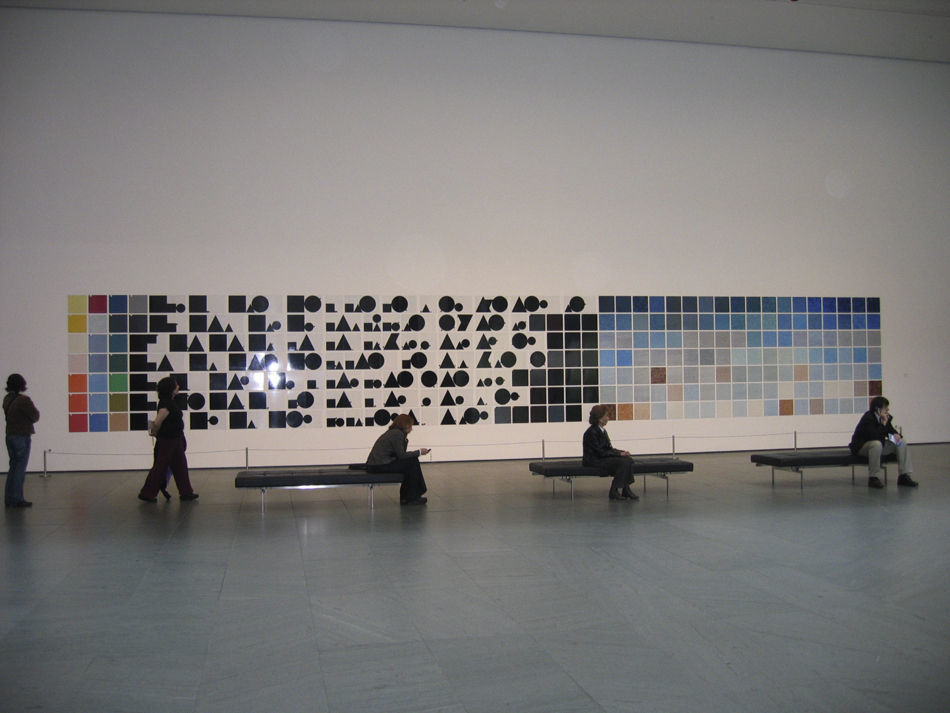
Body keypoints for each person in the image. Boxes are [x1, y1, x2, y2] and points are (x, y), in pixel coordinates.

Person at [138, 376, 198, 502]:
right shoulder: (166, 404)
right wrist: (154, 431)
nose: (178, 387)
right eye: (176, 385)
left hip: (175, 438)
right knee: (160, 466)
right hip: (168, 440)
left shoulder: (170, 402)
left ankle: (186, 492)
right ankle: (147, 493)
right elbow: (158, 421)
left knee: (180, 465)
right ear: (171, 388)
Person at [849, 395, 917, 489]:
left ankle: (903, 475)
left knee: (901, 442)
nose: (887, 409)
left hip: (880, 445)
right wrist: (883, 424)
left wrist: (896, 435)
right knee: (876, 444)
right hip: (863, 447)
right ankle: (873, 477)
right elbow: (874, 436)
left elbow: (889, 431)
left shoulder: (885, 418)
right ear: (878, 409)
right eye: (885, 408)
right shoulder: (868, 418)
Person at [366, 413, 429, 505]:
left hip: (377, 464)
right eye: (410, 426)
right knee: (413, 462)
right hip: (379, 465)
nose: (411, 429)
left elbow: (400, 453)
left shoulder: (394, 432)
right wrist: (419, 452)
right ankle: (410, 497)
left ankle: (409, 496)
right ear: (405, 425)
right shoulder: (397, 434)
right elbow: (402, 455)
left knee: (412, 462)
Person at [583, 404, 638, 501]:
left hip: (601, 458)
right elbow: (600, 452)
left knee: (628, 460)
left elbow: (609, 448)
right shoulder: (591, 432)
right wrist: (619, 454)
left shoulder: (603, 431)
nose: (608, 418)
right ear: (600, 419)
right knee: (623, 462)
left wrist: (622, 452)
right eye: (606, 416)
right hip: (594, 460)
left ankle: (625, 488)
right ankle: (614, 490)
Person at [4, 373, 40, 508]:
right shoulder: (24, 400)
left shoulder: (7, 399)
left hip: (10, 435)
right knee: (19, 469)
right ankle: (17, 499)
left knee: (13, 467)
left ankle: (9, 498)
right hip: (22, 436)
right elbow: (35, 416)